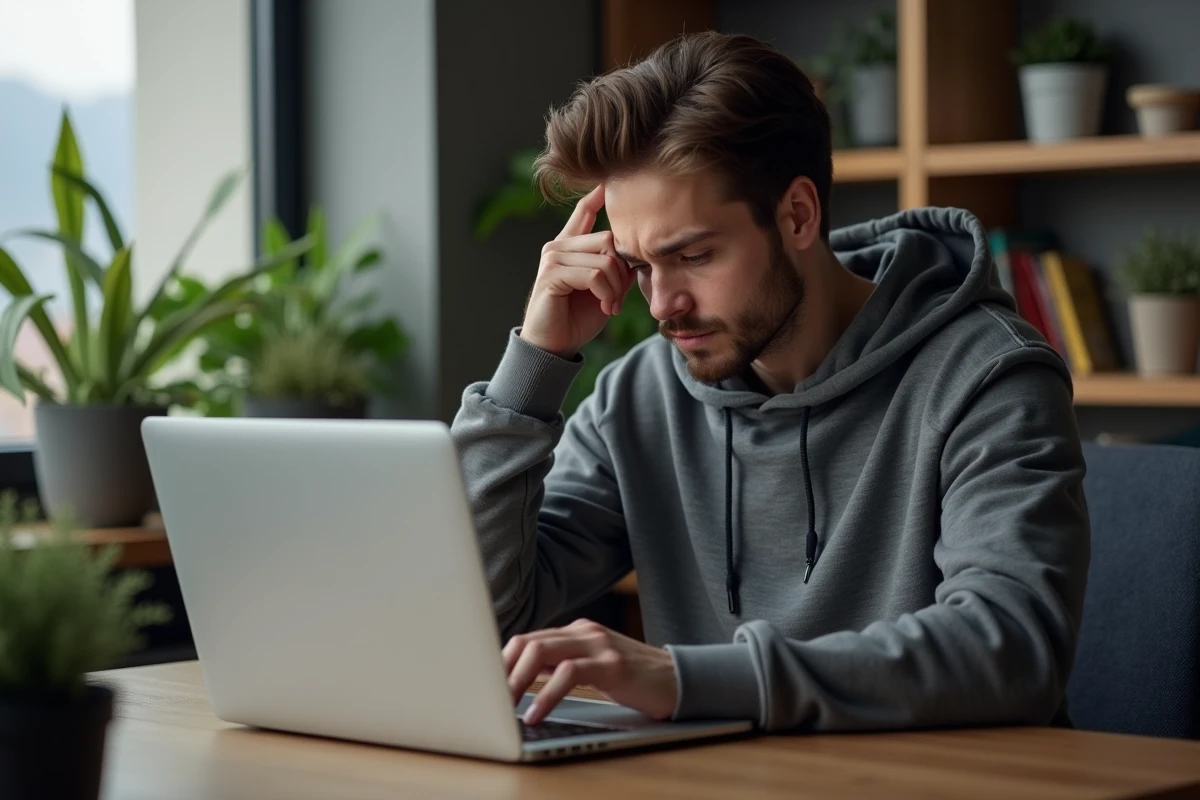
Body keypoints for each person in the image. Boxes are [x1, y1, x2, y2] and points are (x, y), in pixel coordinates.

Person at [450, 30, 1091, 733]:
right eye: (637, 266)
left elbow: (1013, 649)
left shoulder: (986, 375)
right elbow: (485, 614)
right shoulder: (639, 399)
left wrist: (689, 678)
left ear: (798, 215)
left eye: (692, 254)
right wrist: (531, 371)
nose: (662, 305)